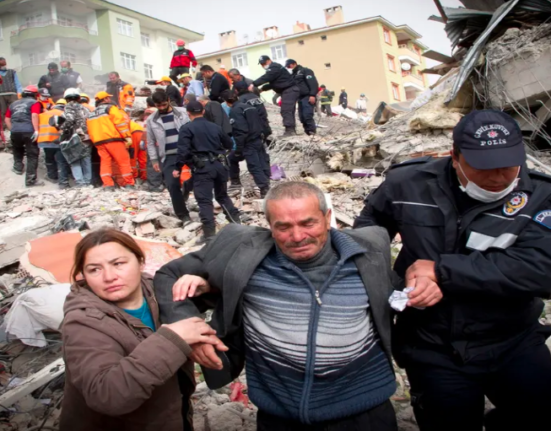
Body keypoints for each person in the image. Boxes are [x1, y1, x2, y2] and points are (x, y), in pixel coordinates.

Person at [354, 110, 551, 431]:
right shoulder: (408, 184)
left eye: (509, 164)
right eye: (485, 167)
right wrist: (399, 285)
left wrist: (442, 271)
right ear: (455, 158)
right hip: (432, 346)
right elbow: (367, 235)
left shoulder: (541, 195)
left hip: (512, 340)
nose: (500, 176)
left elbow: (542, 269)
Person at [154, 181, 399, 431]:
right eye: (283, 227)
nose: (297, 236)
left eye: (308, 223)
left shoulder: (370, 248)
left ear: (327, 218)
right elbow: (168, 275)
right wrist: (191, 330)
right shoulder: (240, 249)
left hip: (365, 411)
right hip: (279, 415)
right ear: (269, 226)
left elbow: (403, 292)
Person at [60, 228, 220, 431]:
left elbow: (204, 302)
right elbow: (107, 395)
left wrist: (206, 287)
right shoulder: (83, 323)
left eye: (118, 264)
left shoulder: (157, 289)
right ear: (83, 275)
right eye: (94, 270)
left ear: (140, 262)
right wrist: (172, 340)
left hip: (172, 414)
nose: (109, 277)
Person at [173, 101, 240, 244]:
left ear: (188, 113)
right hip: (220, 166)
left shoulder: (187, 129)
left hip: (203, 169)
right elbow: (229, 144)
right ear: (203, 112)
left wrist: (177, 168)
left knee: (204, 201)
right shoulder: (215, 127)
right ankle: (237, 225)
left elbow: (182, 151)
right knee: (222, 196)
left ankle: (209, 235)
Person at [146, 90, 191, 222]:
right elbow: (150, 141)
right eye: (158, 106)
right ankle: (183, 215)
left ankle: (187, 187)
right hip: (169, 156)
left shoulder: (182, 112)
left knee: (201, 176)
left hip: (188, 152)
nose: (161, 108)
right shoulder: (152, 120)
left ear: (168, 101)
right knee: (172, 185)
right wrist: (154, 159)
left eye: (163, 104)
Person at [223, 90, 270, 198]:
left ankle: (264, 188)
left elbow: (241, 131)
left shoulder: (235, 110)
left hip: (248, 143)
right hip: (258, 139)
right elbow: (262, 122)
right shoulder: (249, 107)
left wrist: (239, 148)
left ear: (227, 101)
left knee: (254, 166)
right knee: (261, 162)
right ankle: (264, 182)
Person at [86, 91, 134, 190]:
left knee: (105, 162)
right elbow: (120, 122)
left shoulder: (91, 113)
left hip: (98, 142)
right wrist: (127, 136)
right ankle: (129, 183)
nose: (109, 99)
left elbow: (89, 129)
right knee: (123, 160)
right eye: (108, 98)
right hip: (113, 139)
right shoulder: (110, 108)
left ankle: (108, 184)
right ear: (105, 99)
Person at [252, 55, 300, 136]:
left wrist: (253, 84)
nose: (263, 65)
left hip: (289, 90)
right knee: (288, 110)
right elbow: (273, 83)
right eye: (262, 64)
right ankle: (291, 130)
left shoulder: (274, 67)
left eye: (264, 63)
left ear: (269, 60)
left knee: (286, 110)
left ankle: (290, 130)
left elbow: (266, 78)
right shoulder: (274, 69)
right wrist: (262, 89)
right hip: (288, 91)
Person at [6, 85, 44, 186]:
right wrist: (36, 130)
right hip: (29, 131)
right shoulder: (35, 103)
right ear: (35, 95)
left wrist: (12, 129)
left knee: (17, 149)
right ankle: (30, 180)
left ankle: (18, 168)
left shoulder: (13, 104)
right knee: (32, 154)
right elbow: (34, 115)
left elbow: (7, 119)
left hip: (15, 131)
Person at [60, 88, 92, 187]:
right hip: (86, 136)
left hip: (74, 136)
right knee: (86, 158)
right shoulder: (84, 108)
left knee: (74, 159)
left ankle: (80, 183)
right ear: (78, 98)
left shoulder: (68, 107)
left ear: (66, 98)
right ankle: (88, 182)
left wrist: (61, 127)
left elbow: (69, 120)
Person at [37, 99, 68, 186]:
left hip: (45, 141)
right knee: (61, 161)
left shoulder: (43, 114)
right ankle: (63, 182)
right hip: (58, 141)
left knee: (49, 159)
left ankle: (52, 176)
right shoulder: (63, 114)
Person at [285, 59, 318, 135]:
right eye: (287, 67)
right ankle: (307, 132)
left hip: (308, 96)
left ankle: (312, 132)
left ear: (294, 64)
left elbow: (313, 83)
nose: (288, 68)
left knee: (307, 115)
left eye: (289, 66)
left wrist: (312, 95)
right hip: (300, 98)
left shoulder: (305, 71)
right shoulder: (293, 75)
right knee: (302, 117)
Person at [0, 57, 23, 129]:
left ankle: (16, 125)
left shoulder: (12, 72)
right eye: (1, 64)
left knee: (14, 110)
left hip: (12, 94)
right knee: (2, 112)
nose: (3, 65)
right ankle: (5, 128)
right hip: (1, 95)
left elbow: (17, 83)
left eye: (4, 63)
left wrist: (19, 93)